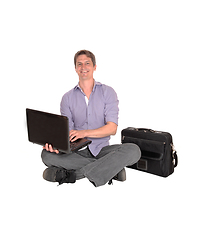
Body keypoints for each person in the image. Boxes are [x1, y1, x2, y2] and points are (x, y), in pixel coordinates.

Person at [41, 50, 141, 187]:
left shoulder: (108, 92)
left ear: (94, 67)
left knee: (134, 151)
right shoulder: (67, 98)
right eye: (79, 64)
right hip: (77, 152)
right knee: (46, 155)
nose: (83, 67)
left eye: (87, 63)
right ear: (75, 68)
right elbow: (67, 132)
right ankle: (111, 170)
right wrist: (56, 145)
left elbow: (112, 128)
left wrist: (84, 133)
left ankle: (71, 175)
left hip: (102, 151)